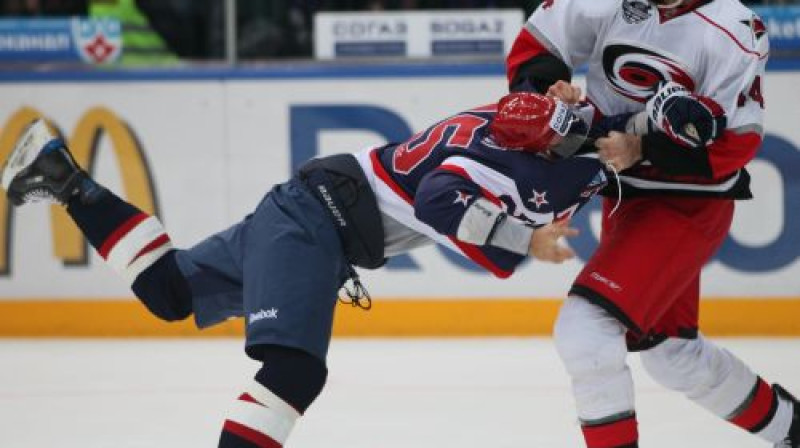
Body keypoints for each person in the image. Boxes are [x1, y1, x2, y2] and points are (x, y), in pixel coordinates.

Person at [1, 91, 606, 447]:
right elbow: (439, 206)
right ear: (524, 145)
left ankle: (65, 180)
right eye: (551, 143)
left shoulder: (493, 121)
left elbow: (547, 136)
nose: (560, 146)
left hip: (302, 213)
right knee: (294, 371)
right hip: (312, 225)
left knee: (169, 291)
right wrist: (524, 242)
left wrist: (569, 115)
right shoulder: (477, 166)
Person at [505, 0, 800, 447]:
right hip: (623, 194)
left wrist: (644, 148)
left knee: (585, 331)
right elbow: (541, 42)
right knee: (673, 355)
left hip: (687, 201)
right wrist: (548, 92)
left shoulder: (734, 26)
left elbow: (736, 143)